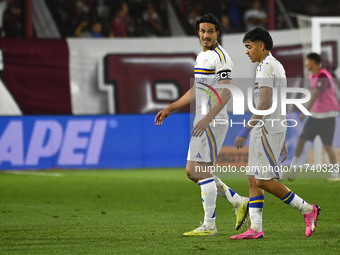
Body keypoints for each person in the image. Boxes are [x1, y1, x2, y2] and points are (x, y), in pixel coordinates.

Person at [155, 13, 249, 236]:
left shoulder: (221, 57)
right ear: (198, 32)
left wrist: (208, 117)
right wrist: (170, 108)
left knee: (200, 170)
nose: (206, 35)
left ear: (218, 32)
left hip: (212, 118)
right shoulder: (201, 57)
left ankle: (210, 225)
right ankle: (238, 201)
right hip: (203, 118)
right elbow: (198, 89)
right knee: (192, 171)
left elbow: (226, 91)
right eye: (202, 31)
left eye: (210, 31)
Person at [231, 27, 321, 239]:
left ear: (261, 46)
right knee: (253, 178)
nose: (247, 51)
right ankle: (256, 228)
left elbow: (265, 102)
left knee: (263, 180)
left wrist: (246, 128)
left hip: (265, 130)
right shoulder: (271, 66)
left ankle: (308, 209)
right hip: (269, 129)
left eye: (249, 46)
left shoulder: (267, 67)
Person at [289, 53, 340, 182]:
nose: (305, 64)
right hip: (316, 115)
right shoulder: (312, 76)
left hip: (328, 115)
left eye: (307, 61)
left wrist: (305, 111)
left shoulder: (323, 75)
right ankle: (292, 170)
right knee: (301, 141)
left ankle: (335, 174)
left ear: (313, 62)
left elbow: (316, 94)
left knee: (327, 145)